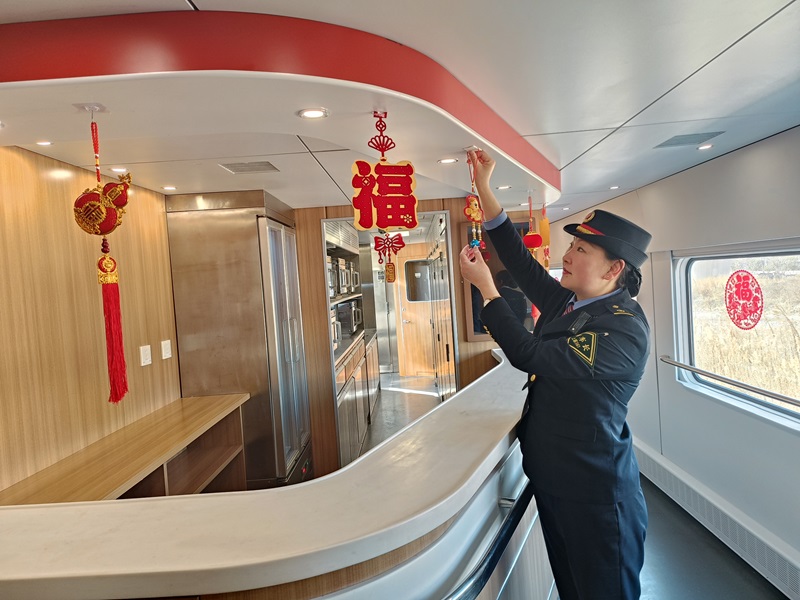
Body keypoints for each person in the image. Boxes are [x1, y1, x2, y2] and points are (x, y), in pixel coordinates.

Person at [459, 148, 652, 600]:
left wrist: (487, 288)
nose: (567, 255)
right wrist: (484, 188)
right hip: (557, 481)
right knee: (571, 589)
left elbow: (529, 354)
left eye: (581, 249)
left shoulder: (622, 329)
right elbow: (520, 262)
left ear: (614, 269)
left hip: (596, 495)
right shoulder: (572, 302)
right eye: (571, 246)